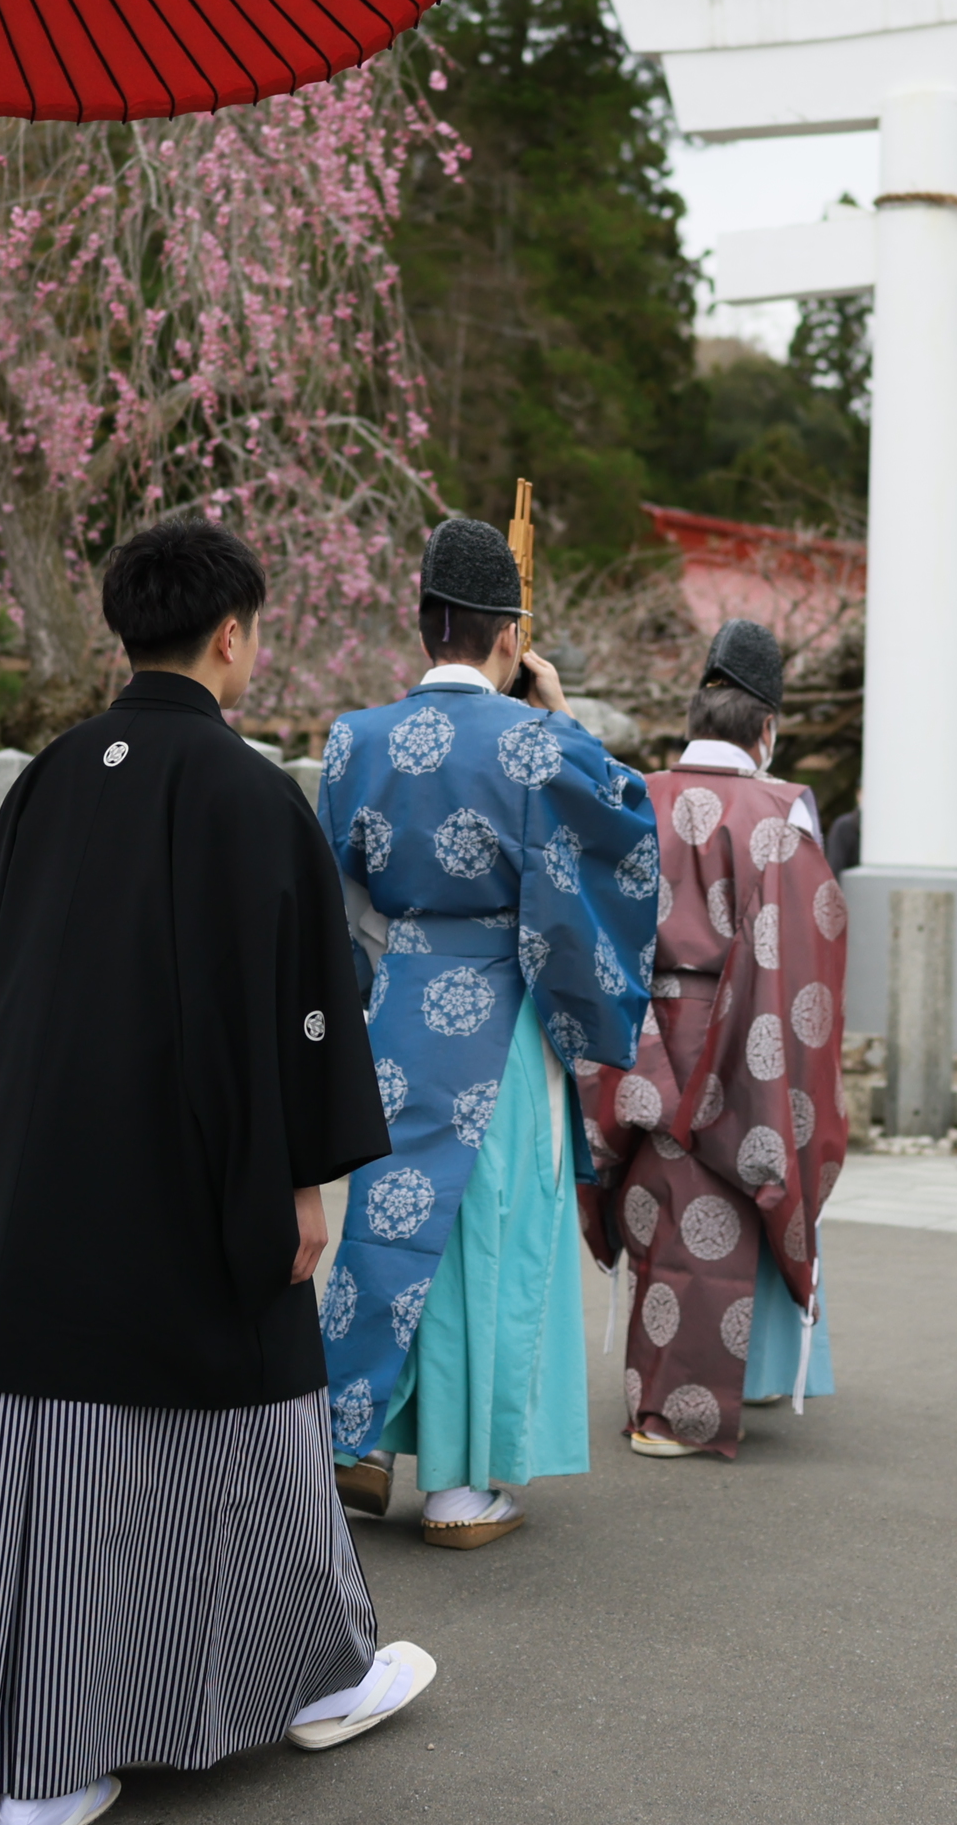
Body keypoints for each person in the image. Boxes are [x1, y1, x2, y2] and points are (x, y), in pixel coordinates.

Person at [0, 515, 431, 1825]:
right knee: (245, 1431)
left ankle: (41, 1753)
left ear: (121, 630)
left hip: (45, 1179)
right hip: (193, 1179)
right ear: (232, 635)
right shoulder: (251, 796)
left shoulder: (46, 782)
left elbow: (0, 987)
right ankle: (276, 1690)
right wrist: (303, 1177)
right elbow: (299, 1014)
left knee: (58, 1451)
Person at [316, 517, 657, 1550]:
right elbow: (624, 833)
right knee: (492, 1234)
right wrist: (562, 722)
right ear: (512, 637)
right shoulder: (537, 744)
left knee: (391, 1209)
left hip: (398, 999)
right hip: (503, 1010)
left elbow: (335, 896)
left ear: (424, 624)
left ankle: (358, 1439)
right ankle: (465, 1489)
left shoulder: (352, 739)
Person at [589, 619, 850, 1454]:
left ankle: (673, 1392)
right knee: (728, 1209)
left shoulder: (635, 797)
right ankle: (679, 1412)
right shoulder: (781, 815)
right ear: (766, 730)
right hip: (743, 1028)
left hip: (639, 1030)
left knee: (662, 1210)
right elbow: (806, 952)